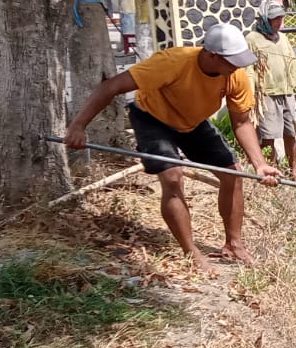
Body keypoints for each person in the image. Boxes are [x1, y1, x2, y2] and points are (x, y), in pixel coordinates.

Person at [64, 23, 280, 270]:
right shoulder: (171, 62)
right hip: (152, 118)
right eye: (232, 61)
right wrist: (78, 126)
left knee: (232, 173)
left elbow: (241, 122)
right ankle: (191, 252)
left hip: (192, 122)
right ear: (212, 55)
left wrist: (260, 164)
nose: (237, 67)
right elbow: (110, 86)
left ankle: (234, 244)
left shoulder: (235, 76)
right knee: (173, 176)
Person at [246, 1, 296, 179]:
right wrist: (251, 96)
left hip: (286, 92)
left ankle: (293, 170)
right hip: (267, 95)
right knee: (268, 136)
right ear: (264, 19)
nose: (279, 22)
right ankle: (272, 168)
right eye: (274, 19)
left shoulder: (283, 39)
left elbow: (292, 63)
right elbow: (249, 70)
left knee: (290, 133)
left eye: (281, 18)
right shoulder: (252, 40)